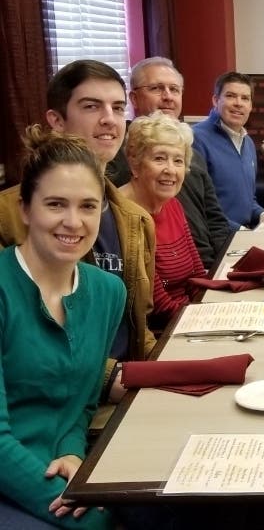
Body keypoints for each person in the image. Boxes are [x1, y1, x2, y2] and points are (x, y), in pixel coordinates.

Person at [0, 59, 156, 406]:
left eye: (118, 108)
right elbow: (20, 347)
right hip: (52, 409)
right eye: (91, 106)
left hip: (127, 398)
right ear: (56, 120)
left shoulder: (135, 219)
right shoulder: (7, 217)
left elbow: (138, 327)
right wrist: (110, 378)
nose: (109, 119)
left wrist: (165, 371)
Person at [0, 127, 124, 529]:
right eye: (56, 204)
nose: (73, 222)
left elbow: (83, 403)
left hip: (65, 468)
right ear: (25, 209)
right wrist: (71, 500)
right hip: (13, 479)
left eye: (88, 206)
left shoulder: (108, 291)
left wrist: (73, 453)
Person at [107, 57, 231, 270]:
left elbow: (215, 219)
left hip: (206, 268)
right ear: (134, 99)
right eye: (156, 88)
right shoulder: (118, 155)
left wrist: (225, 268)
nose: (167, 97)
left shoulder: (191, 150)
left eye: (174, 89)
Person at [121, 112, 206, 330]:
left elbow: (197, 275)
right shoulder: (124, 215)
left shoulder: (173, 205)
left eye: (178, 160)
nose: (170, 170)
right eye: (159, 158)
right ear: (135, 163)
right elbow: (158, 305)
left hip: (186, 316)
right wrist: (204, 320)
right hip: (160, 331)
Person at [192, 71, 264, 230]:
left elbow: (248, 199)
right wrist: (242, 232)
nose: (238, 103)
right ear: (215, 100)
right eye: (231, 96)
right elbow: (199, 208)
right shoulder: (196, 139)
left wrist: (263, 215)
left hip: (244, 232)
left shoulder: (248, 143)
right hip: (218, 240)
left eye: (245, 98)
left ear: (251, 106)